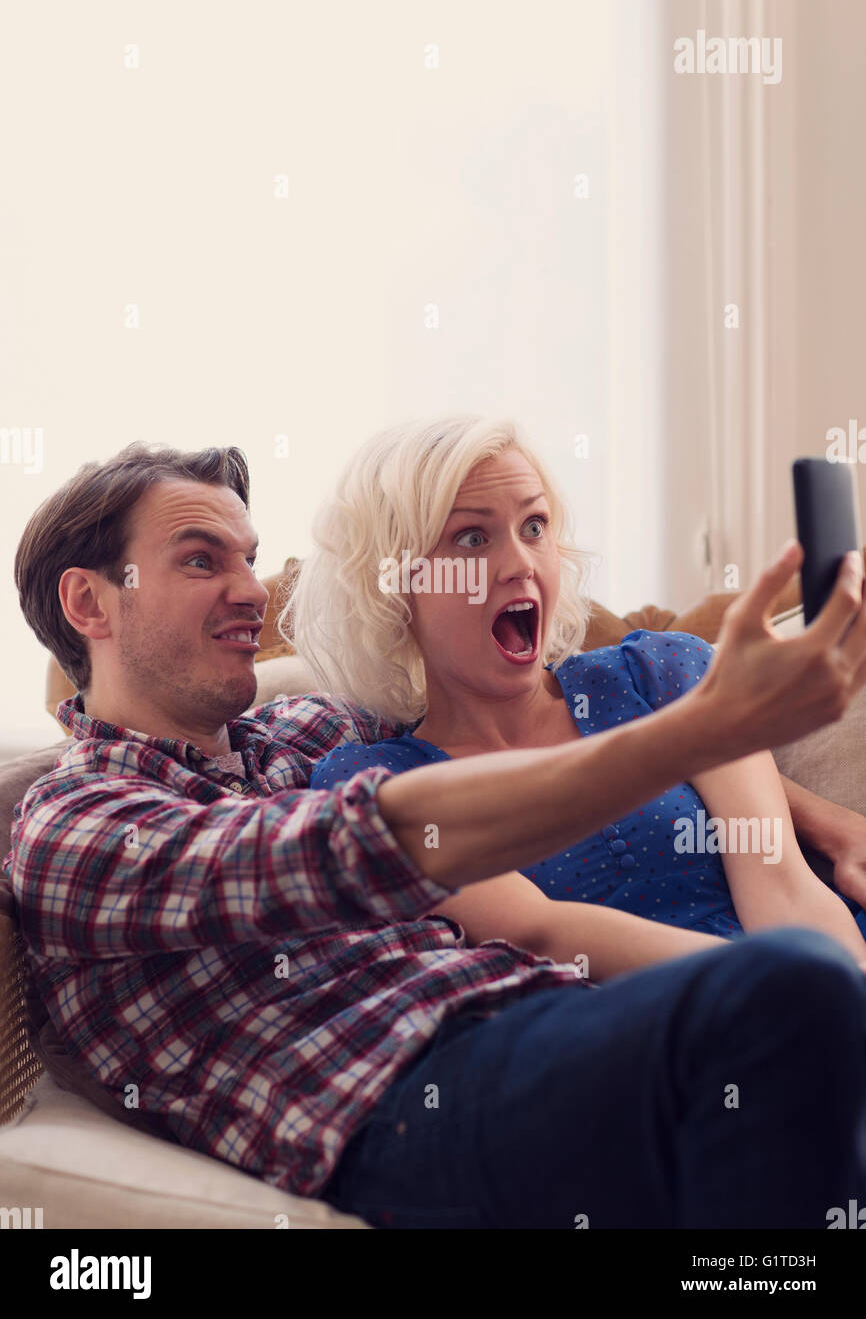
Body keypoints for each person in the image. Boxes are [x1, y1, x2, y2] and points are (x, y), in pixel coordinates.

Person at [7, 439, 866, 1229]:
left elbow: (512, 707)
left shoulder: (305, 732)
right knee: (789, 996)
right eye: (201, 559)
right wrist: (696, 731)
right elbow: (366, 842)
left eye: (251, 559)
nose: (252, 591)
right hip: (393, 1101)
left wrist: (813, 811)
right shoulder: (76, 820)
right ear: (89, 601)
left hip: (549, 1022)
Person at [300, 416, 866, 964]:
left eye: (534, 526)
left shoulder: (665, 672)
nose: (519, 564)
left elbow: (780, 882)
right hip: (670, 1033)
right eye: (472, 538)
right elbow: (545, 936)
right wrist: (785, 993)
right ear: (398, 586)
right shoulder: (376, 788)